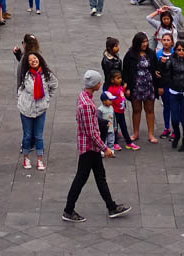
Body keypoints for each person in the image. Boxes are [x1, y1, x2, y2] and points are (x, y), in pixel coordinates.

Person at [61, 71, 131, 224]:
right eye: (99, 82)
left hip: (90, 147)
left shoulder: (84, 97)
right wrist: (104, 148)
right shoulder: (87, 105)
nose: (101, 84)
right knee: (81, 178)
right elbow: (90, 132)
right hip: (89, 148)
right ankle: (68, 210)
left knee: (100, 176)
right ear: (95, 85)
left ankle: (111, 206)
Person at [16, 51, 57, 170]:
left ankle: (40, 159)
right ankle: (26, 157)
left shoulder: (46, 74)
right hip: (26, 109)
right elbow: (20, 87)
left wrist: (47, 99)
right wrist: (20, 99)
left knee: (39, 136)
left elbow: (54, 85)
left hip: (40, 109)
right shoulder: (26, 75)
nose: (33, 61)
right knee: (27, 135)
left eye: (35, 58)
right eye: (30, 60)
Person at [122, 32, 159, 145]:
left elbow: (156, 69)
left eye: (146, 41)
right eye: (142, 42)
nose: (145, 44)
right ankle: (135, 132)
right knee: (136, 110)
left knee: (150, 109)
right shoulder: (130, 55)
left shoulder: (151, 54)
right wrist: (127, 87)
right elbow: (126, 72)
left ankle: (151, 134)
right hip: (136, 86)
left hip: (148, 85)